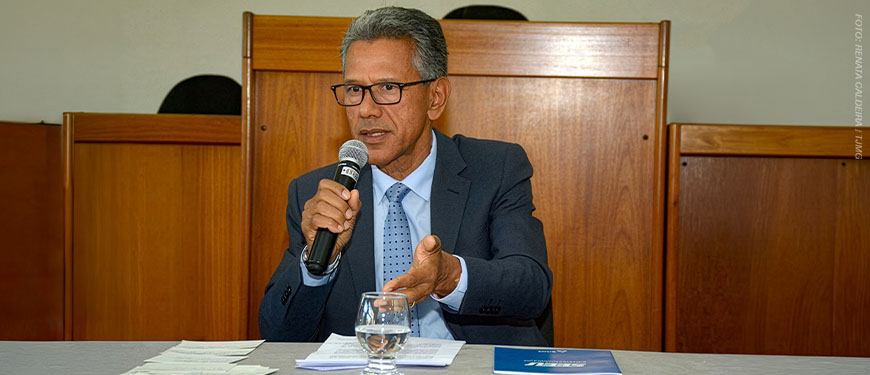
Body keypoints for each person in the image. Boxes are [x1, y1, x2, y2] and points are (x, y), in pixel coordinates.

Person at [258, 6, 552, 346]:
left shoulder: (495, 168)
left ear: (435, 98)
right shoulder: (317, 194)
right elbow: (278, 335)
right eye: (354, 89)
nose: (366, 109)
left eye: (387, 87)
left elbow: (531, 285)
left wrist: (448, 276)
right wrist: (315, 265)